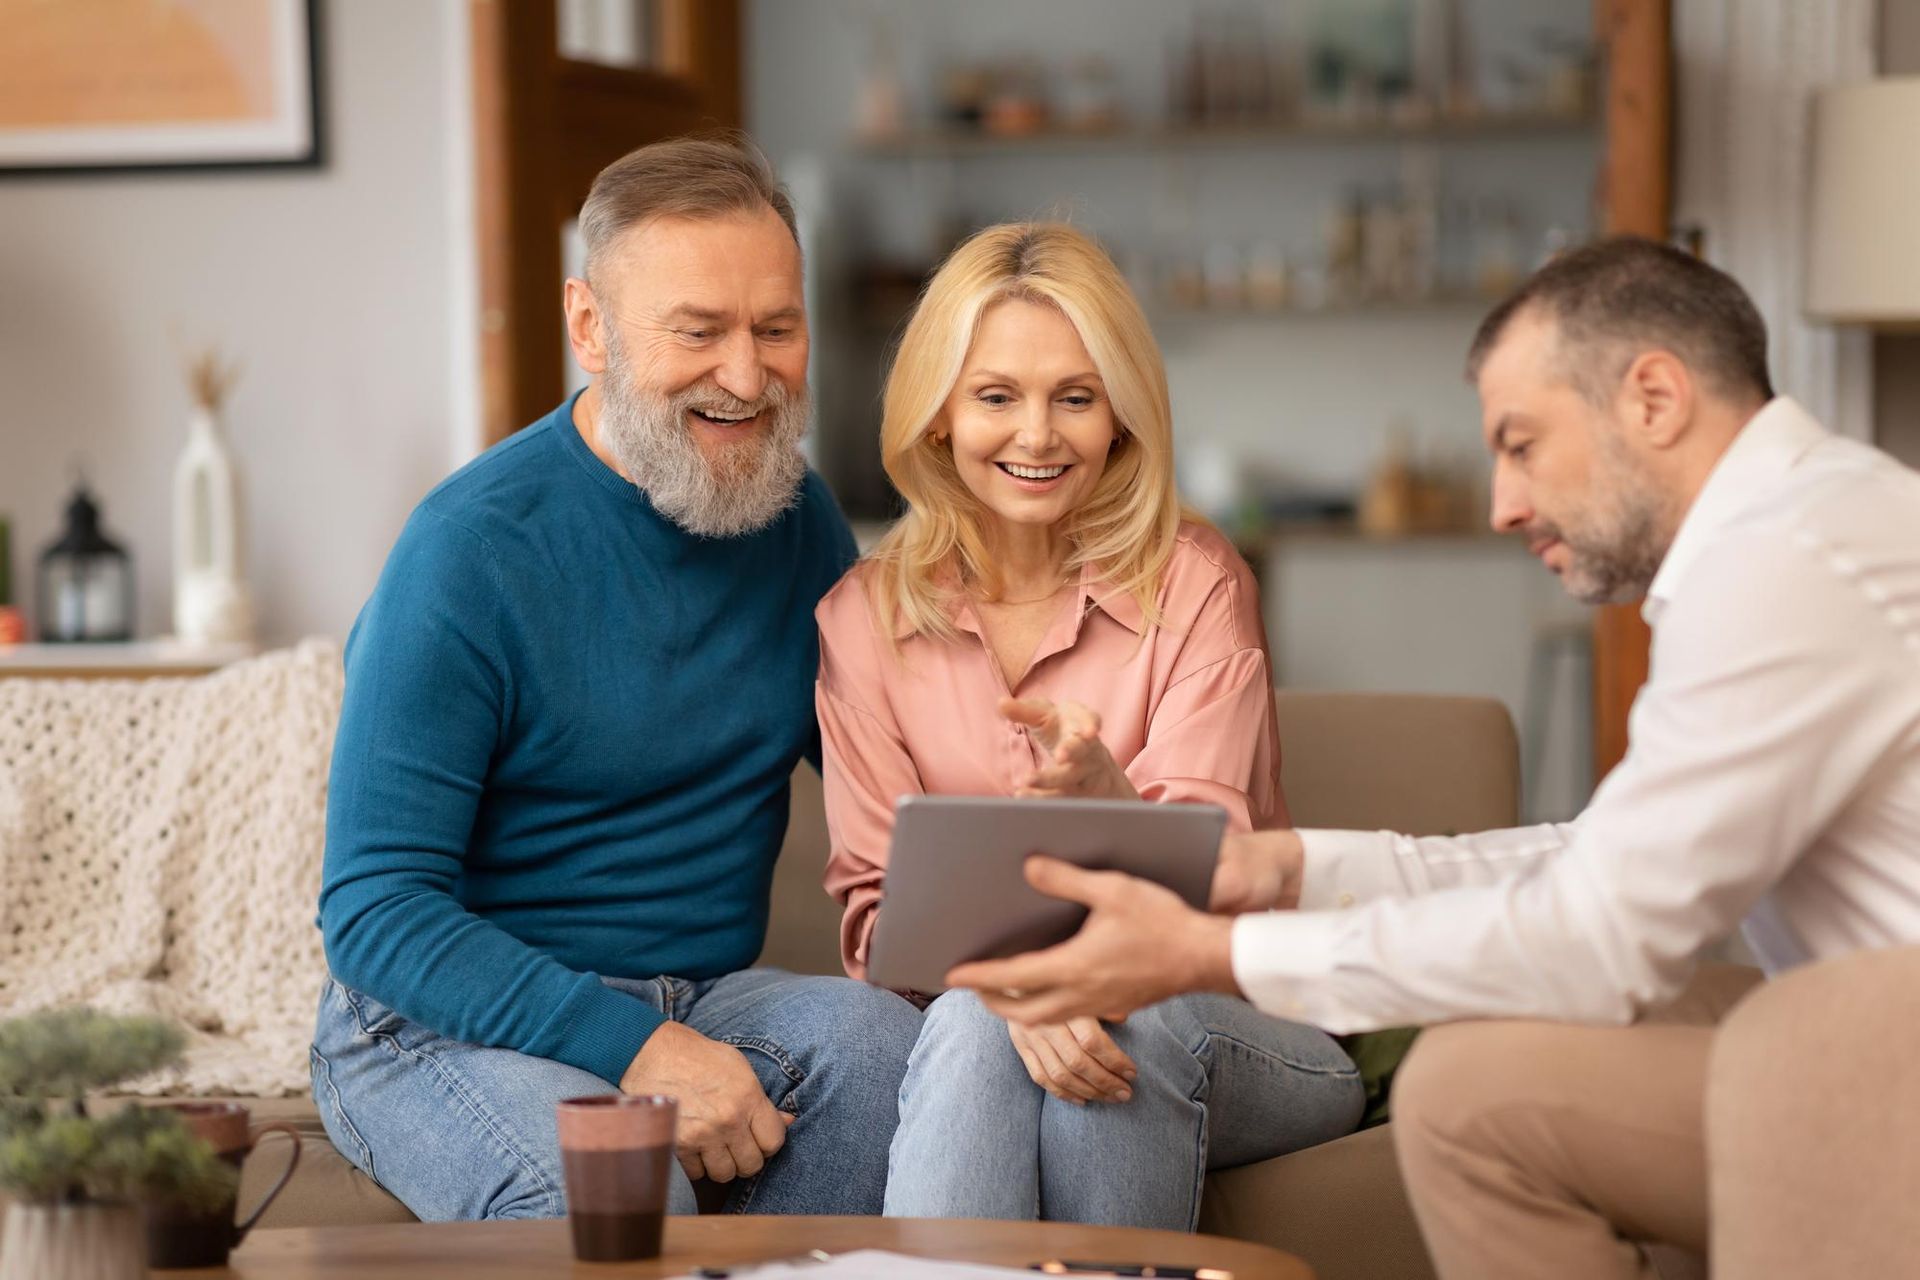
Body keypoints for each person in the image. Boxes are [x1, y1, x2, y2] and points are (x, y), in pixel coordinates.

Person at [947, 237, 1920, 1276]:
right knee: (1547, 1015)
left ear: (1653, 397)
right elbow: (1603, 855)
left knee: (1468, 1094)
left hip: (1880, 1041)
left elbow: (1603, 930)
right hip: (1856, 1009)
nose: (1501, 503)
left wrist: (1217, 956)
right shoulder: (1805, 522)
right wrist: (1292, 867)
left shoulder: (1782, 567)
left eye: (1523, 442)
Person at [312, 136, 921, 1222]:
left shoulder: (800, 521)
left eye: (776, 329)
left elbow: (899, 786)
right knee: (610, 1179)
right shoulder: (468, 550)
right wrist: (636, 1044)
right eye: (699, 330)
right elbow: (374, 908)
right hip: (442, 1022)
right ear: (588, 325)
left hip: (710, 998)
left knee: (887, 1049)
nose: (747, 375)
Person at [814, 221, 1364, 1232]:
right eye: (996, 396)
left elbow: (1217, 865)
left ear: (1121, 415)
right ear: (937, 413)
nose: (1038, 434)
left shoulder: (1197, 583)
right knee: (982, 1019)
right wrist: (1029, 991)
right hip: (979, 1025)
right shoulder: (864, 618)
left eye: (1076, 395)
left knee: (1122, 1019)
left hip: (1233, 1010)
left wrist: (1112, 798)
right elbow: (875, 913)